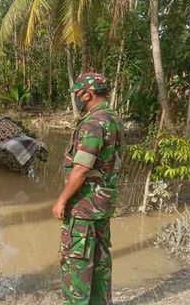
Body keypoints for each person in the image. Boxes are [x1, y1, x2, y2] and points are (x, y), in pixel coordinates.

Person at [52, 72, 123, 305]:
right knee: (100, 259)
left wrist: (61, 200)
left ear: (88, 93)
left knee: (77, 262)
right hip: (102, 202)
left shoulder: (93, 123)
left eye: (78, 94)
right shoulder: (112, 119)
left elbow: (82, 168)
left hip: (85, 205)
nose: (77, 99)